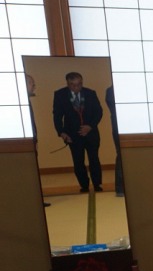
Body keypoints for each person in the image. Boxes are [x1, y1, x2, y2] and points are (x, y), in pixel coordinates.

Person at [52, 72, 104, 192]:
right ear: (68, 84)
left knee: (94, 159)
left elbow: (98, 112)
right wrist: (61, 132)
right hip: (72, 134)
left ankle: (97, 184)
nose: (77, 87)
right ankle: (84, 185)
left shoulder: (90, 93)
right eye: (73, 85)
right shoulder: (60, 95)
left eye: (79, 84)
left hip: (91, 133)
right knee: (78, 161)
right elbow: (57, 115)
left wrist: (90, 126)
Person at [25, 74, 50, 207]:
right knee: (27, 173)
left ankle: (35, 199)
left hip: (31, 141)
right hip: (23, 144)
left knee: (32, 172)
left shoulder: (27, 100)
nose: (34, 87)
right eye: (31, 84)